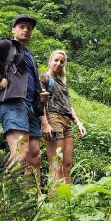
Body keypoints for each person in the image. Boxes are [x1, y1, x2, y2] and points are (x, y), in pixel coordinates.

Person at [0, 15, 49, 181]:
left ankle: (31, 201)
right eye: (22, 26)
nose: (26, 30)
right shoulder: (7, 45)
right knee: (20, 153)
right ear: (14, 29)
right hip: (12, 102)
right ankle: (3, 198)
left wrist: (41, 97)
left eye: (29, 28)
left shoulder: (30, 56)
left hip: (31, 107)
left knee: (34, 156)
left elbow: (30, 80)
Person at [39, 50, 86, 184]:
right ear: (50, 61)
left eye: (62, 62)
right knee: (56, 165)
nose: (58, 63)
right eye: (56, 60)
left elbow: (68, 105)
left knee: (67, 165)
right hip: (53, 118)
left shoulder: (62, 82)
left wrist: (78, 123)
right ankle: (56, 201)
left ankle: (68, 200)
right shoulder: (44, 78)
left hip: (66, 121)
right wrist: (45, 124)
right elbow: (40, 102)